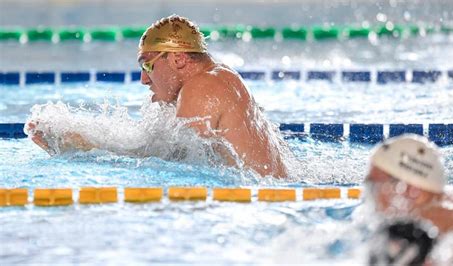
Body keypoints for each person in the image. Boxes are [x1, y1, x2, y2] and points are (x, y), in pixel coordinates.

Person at [28, 15, 289, 178]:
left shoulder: (202, 87)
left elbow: (175, 165)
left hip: (262, 201)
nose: (144, 79)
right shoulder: (220, 77)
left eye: (147, 65)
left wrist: (80, 148)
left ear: (177, 58)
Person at [365, 134, 453, 242]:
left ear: (412, 191)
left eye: (373, 187)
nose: (371, 196)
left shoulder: (426, 226)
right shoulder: (449, 204)